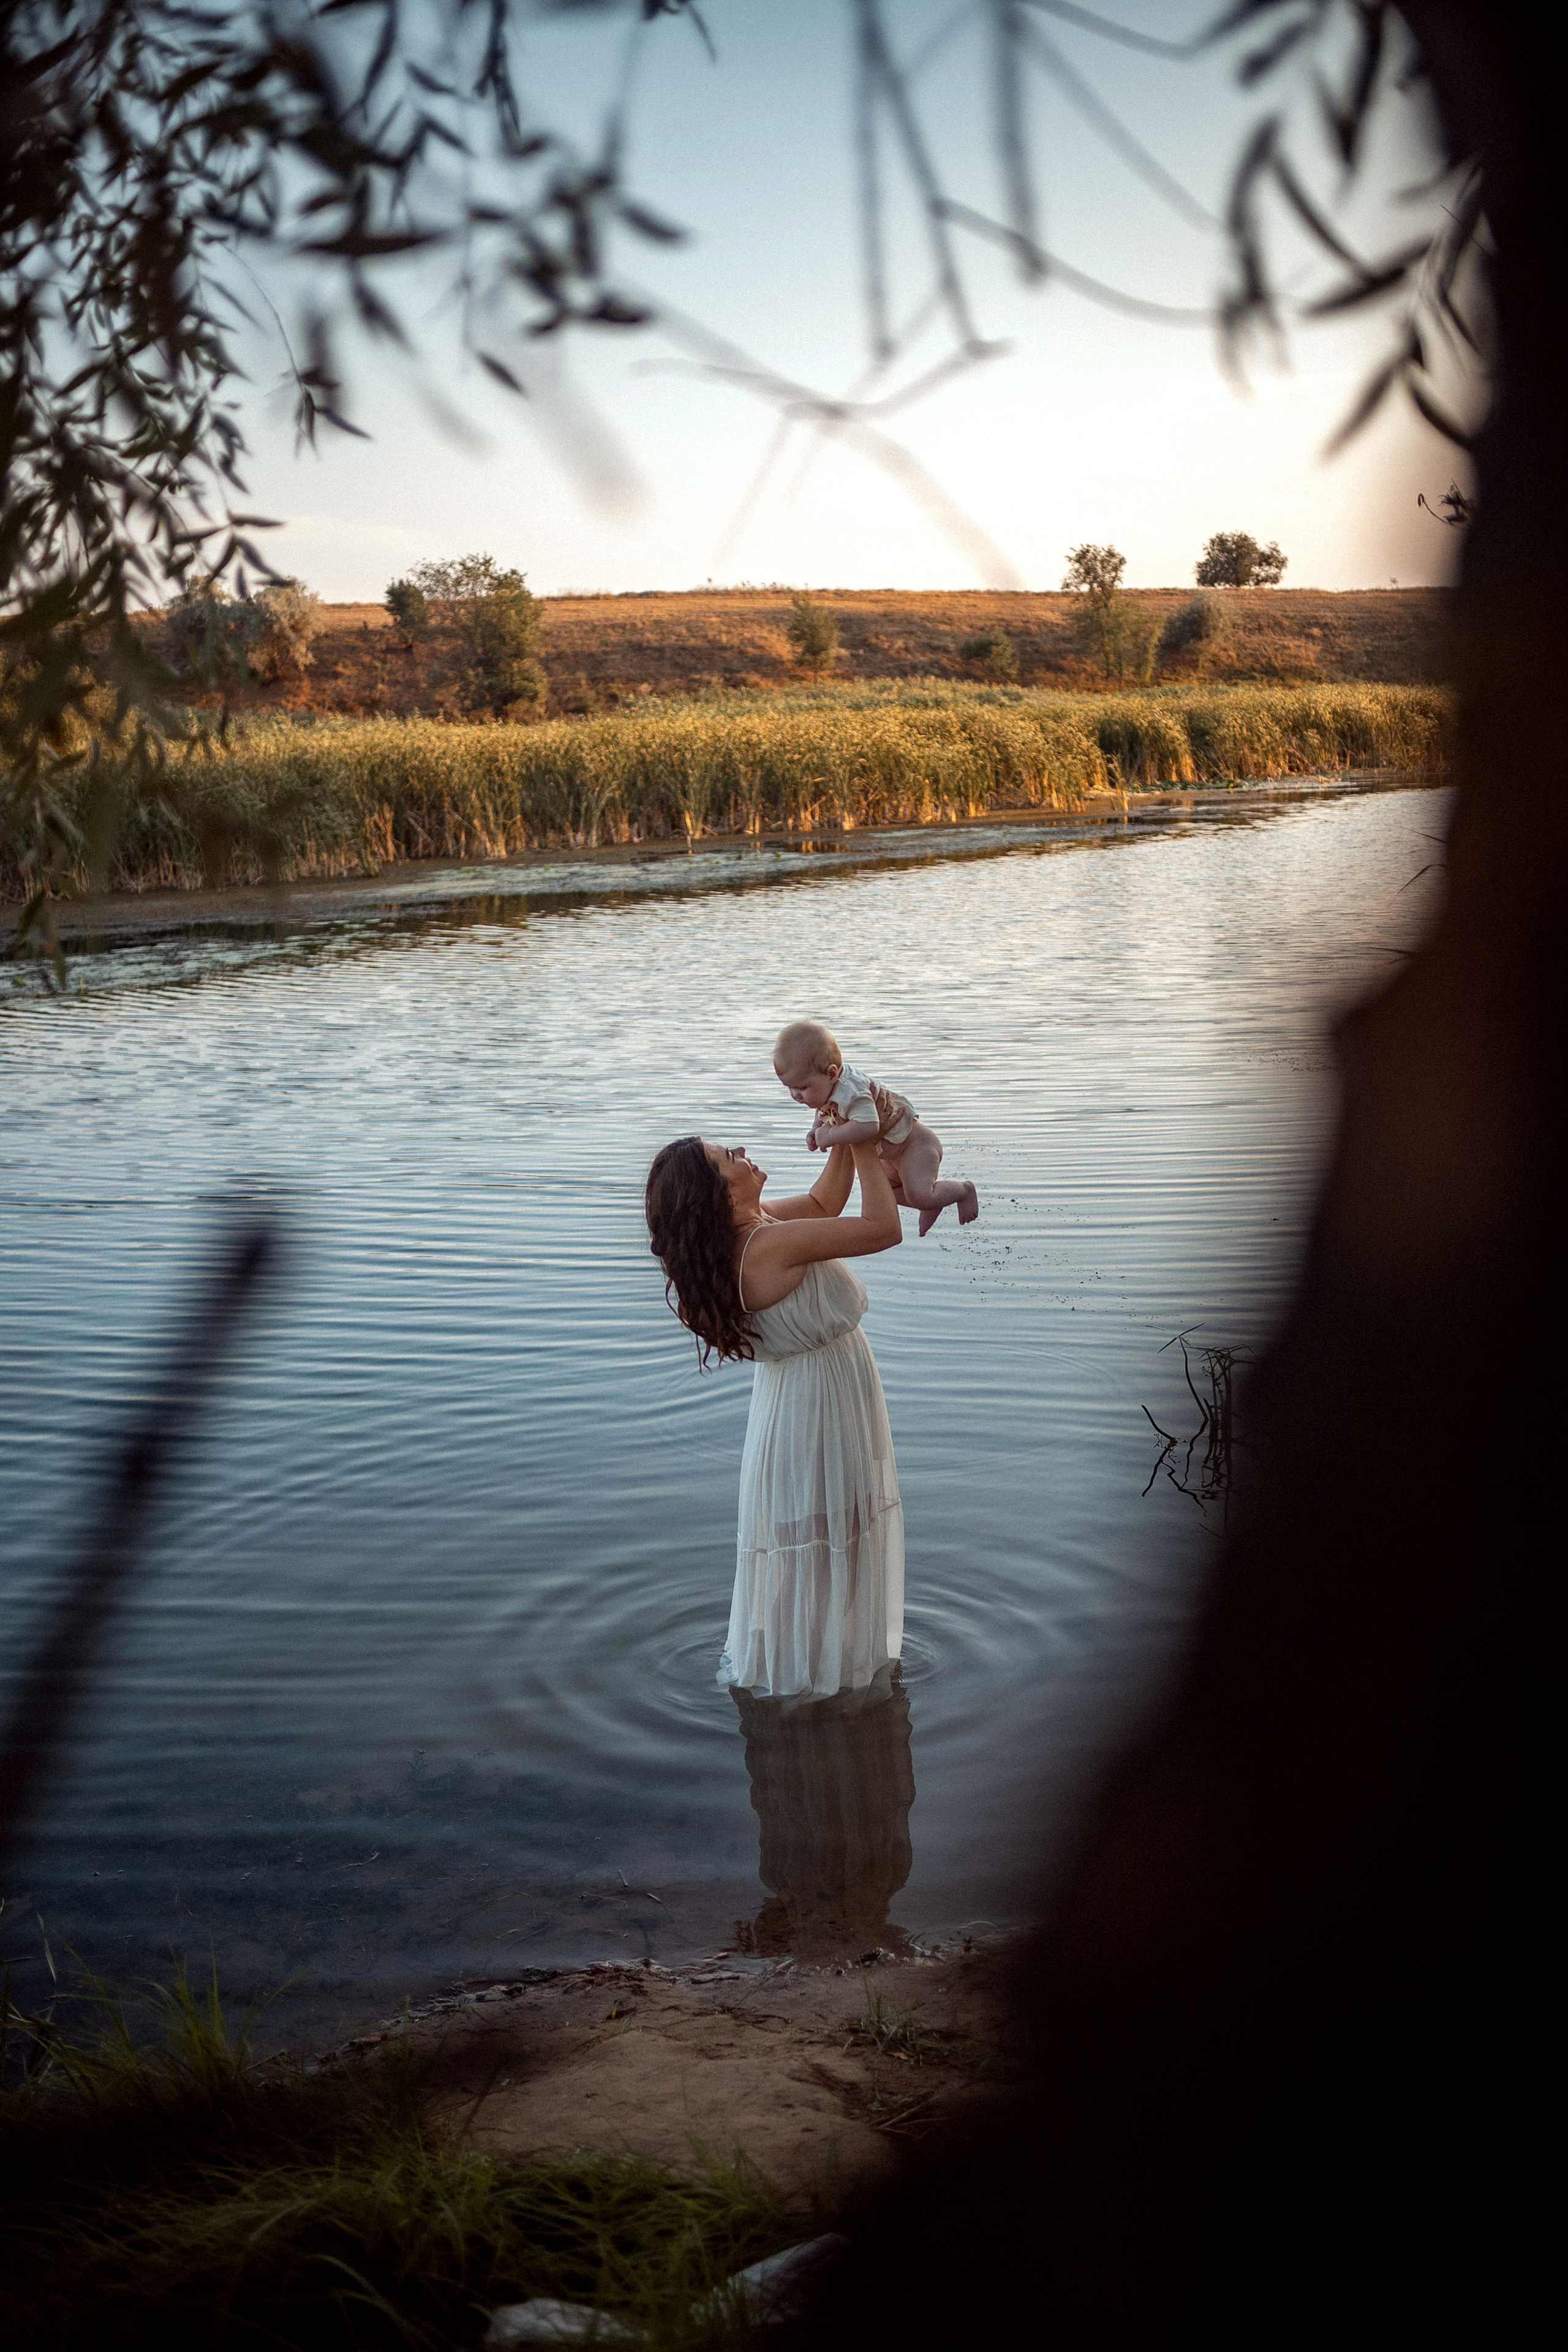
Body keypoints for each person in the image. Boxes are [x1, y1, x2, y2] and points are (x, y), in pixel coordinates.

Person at [644, 1131, 903, 1697]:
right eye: (726, 1158)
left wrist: (843, 1127)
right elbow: (883, 1228)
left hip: (804, 1397)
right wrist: (864, 1144)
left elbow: (820, 1204)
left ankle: (804, 1678)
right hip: (817, 1406)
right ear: (718, 1194)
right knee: (831, 1547)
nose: (740, 1152)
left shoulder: (749, 1233)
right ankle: (801, 1684)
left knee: (829, 1546)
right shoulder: (763, 1247)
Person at [773, 1018, 979, 1236]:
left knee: (919, 1195)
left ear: (832, 1074)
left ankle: (962, 1191)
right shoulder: (827, 1086)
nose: (795, 1095)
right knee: (884, 1194)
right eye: (790, 1088)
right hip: (893, 1153)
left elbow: (870, 1126)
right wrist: (815, 1131)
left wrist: (832, 1135)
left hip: (915, 1146)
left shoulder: (853, 1092)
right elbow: (825, 1111)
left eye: (802, 1088)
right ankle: (931, 1202)